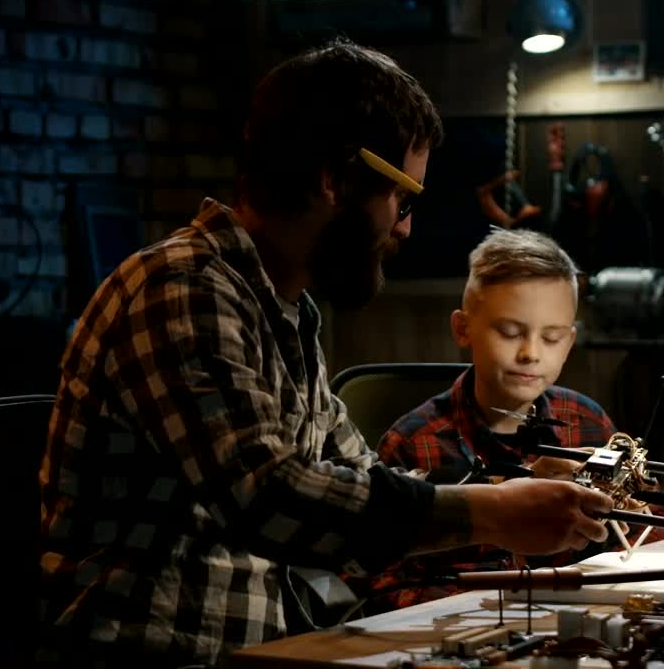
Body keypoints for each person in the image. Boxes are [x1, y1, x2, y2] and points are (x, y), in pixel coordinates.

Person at [35, 38, 613, 668]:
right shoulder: (181, 290)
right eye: (402, 200)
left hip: (271, 651)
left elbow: (357, 483)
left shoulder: (282, 308)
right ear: (335, 179)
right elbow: (270, 497)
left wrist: (513, 491)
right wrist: (489, 514)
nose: (405, 228)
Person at [365, 228, 625, 612]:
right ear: (463, 329)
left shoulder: (589, 423)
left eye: (551, 338)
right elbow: (378, 591)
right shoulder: (411, 443)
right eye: (509, 332)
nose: (530, 353)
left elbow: (631, 553)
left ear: (569, 343)